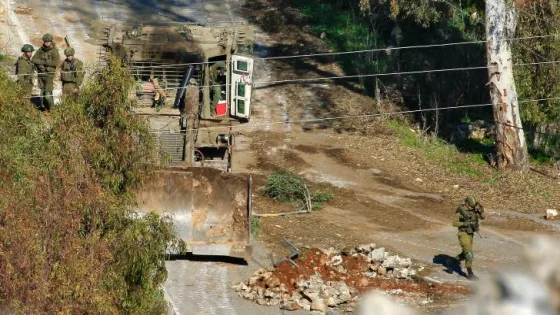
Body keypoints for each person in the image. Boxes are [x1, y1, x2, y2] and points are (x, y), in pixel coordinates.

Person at [452, 196, 485, 280]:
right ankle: (470, 273)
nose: (472, 208)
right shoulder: (461, 210)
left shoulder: (473, 209)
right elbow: (454, 223)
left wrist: (481, 208)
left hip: (471, 234)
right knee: (469, 254)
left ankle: (452, 261)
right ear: (466, 204)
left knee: (465, 253)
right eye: (470, 206)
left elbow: (483, 217)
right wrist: (465, 224)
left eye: (473, 207)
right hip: (463, 234)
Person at [32, 33, 60, 110]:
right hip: (41, 74)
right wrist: (41, 63)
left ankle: (52, 109)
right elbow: (33, 59)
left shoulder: (54, 51)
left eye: (48, 41)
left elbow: (55, 62)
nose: (47, 43)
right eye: (45, 41)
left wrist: (44, 63)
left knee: (47, 95)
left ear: (51, 42)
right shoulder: (40, 50)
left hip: (49, 75)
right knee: (42, 95)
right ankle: (44, 108)